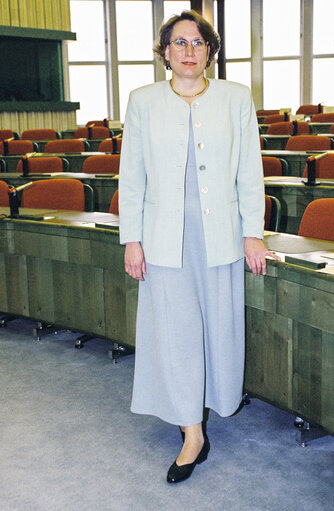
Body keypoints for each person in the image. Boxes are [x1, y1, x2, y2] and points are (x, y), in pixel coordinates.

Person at [119, 10, 278, 484]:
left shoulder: (235, 98)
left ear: (210, 50)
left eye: (198, 42)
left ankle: (214, 402)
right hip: (165, 240)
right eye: (179, 42)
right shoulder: (143, 100)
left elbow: (250, 170)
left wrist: (254, 230)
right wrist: (132, 238)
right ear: (165, 52)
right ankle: (192, 433)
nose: (189, 50)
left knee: (219, 330)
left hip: (221, 237)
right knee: (177, 335)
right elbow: (131, 177)